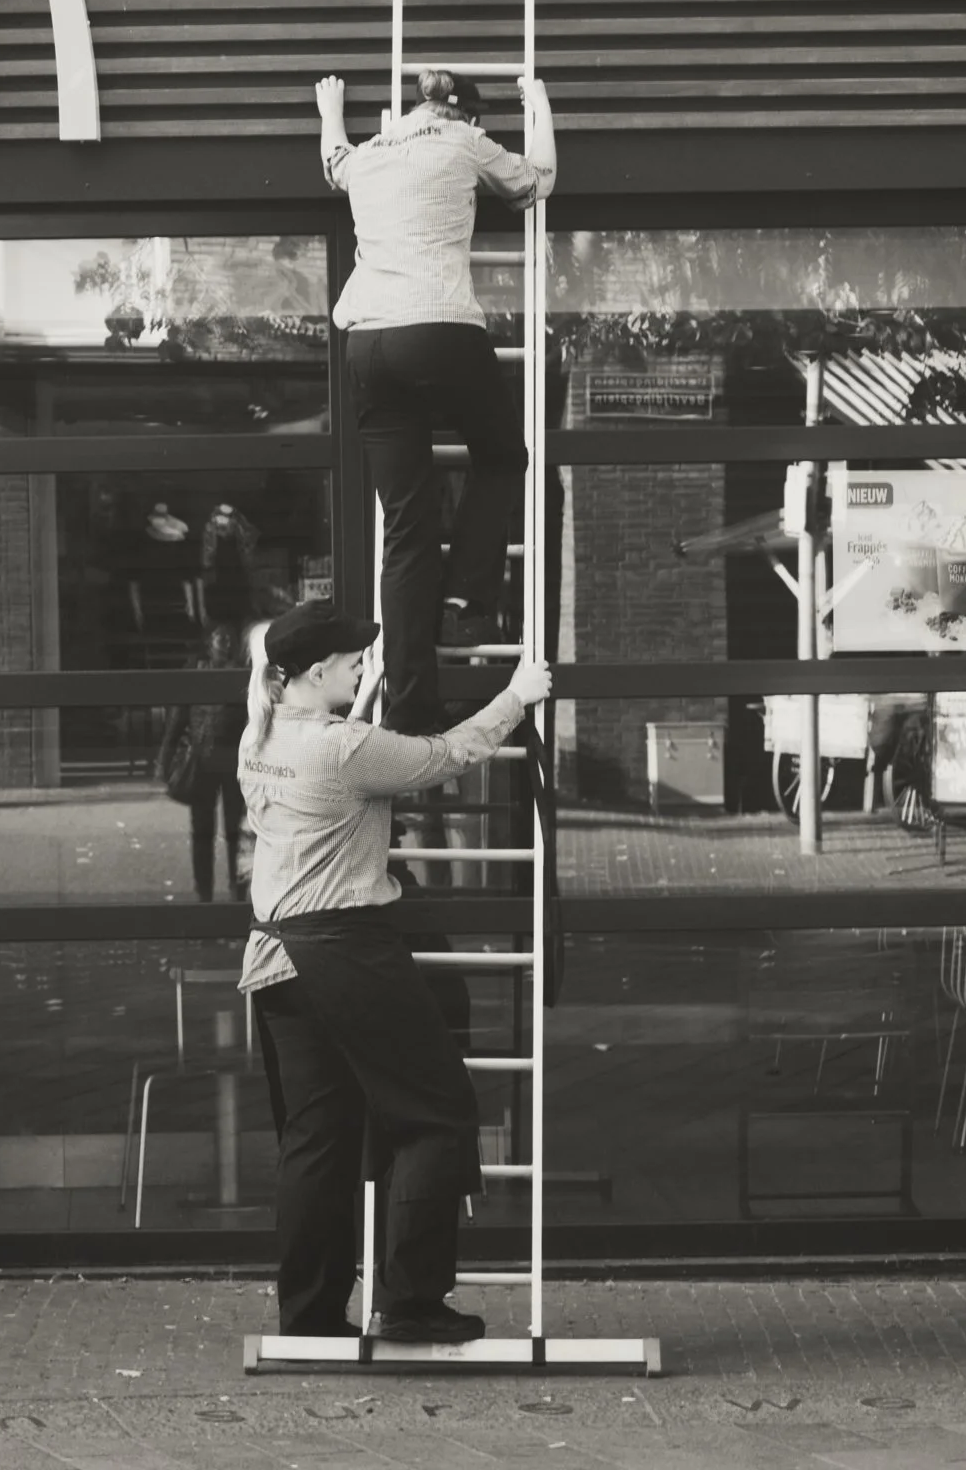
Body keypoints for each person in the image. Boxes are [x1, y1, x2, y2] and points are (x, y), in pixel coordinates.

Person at [237, 597, 551, 1343]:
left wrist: (362, 706)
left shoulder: (263, 733)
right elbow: (446, 757)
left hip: (276, 957)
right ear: (315, 673)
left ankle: (309, 1315)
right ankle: (409, 1302)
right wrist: (517, 695)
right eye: (351, 664)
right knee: (437, 1117)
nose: (362, 669)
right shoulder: (342, 748)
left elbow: (346, 754)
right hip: (345, 949)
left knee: (318, 1141)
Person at [317, 67, 556, 734]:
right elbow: (538, 180)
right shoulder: (463, 142)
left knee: (406, 527)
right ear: (463, 116)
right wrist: (537, 102)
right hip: (439, 327)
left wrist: (331, 110)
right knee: (504, 456)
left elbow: (332, 161)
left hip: (367, 343)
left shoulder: (370, 154)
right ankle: (467, 587)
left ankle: (411, 709)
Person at [155, 621, 248, 902]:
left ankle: (237, 890)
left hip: (233, 761)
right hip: (202, 762)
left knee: (235, 831)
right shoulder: (196, 672)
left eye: (230, 638)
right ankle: (204, 894)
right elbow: (177, 719)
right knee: (202, 832)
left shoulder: (244, 674)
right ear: (209, 642)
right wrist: (165, 757)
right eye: (221, 638)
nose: (227, 644)